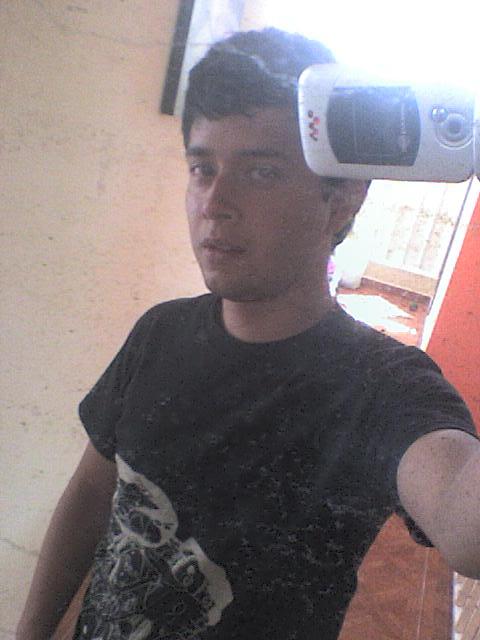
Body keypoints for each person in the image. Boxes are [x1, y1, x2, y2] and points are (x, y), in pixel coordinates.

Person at [17, 27, 480, 640]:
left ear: (343, 199)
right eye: (202, 168)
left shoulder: (381, 389)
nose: (215, 201)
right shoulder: (159, 332)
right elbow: (92, 490)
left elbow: (466, 530)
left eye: (261, 172)